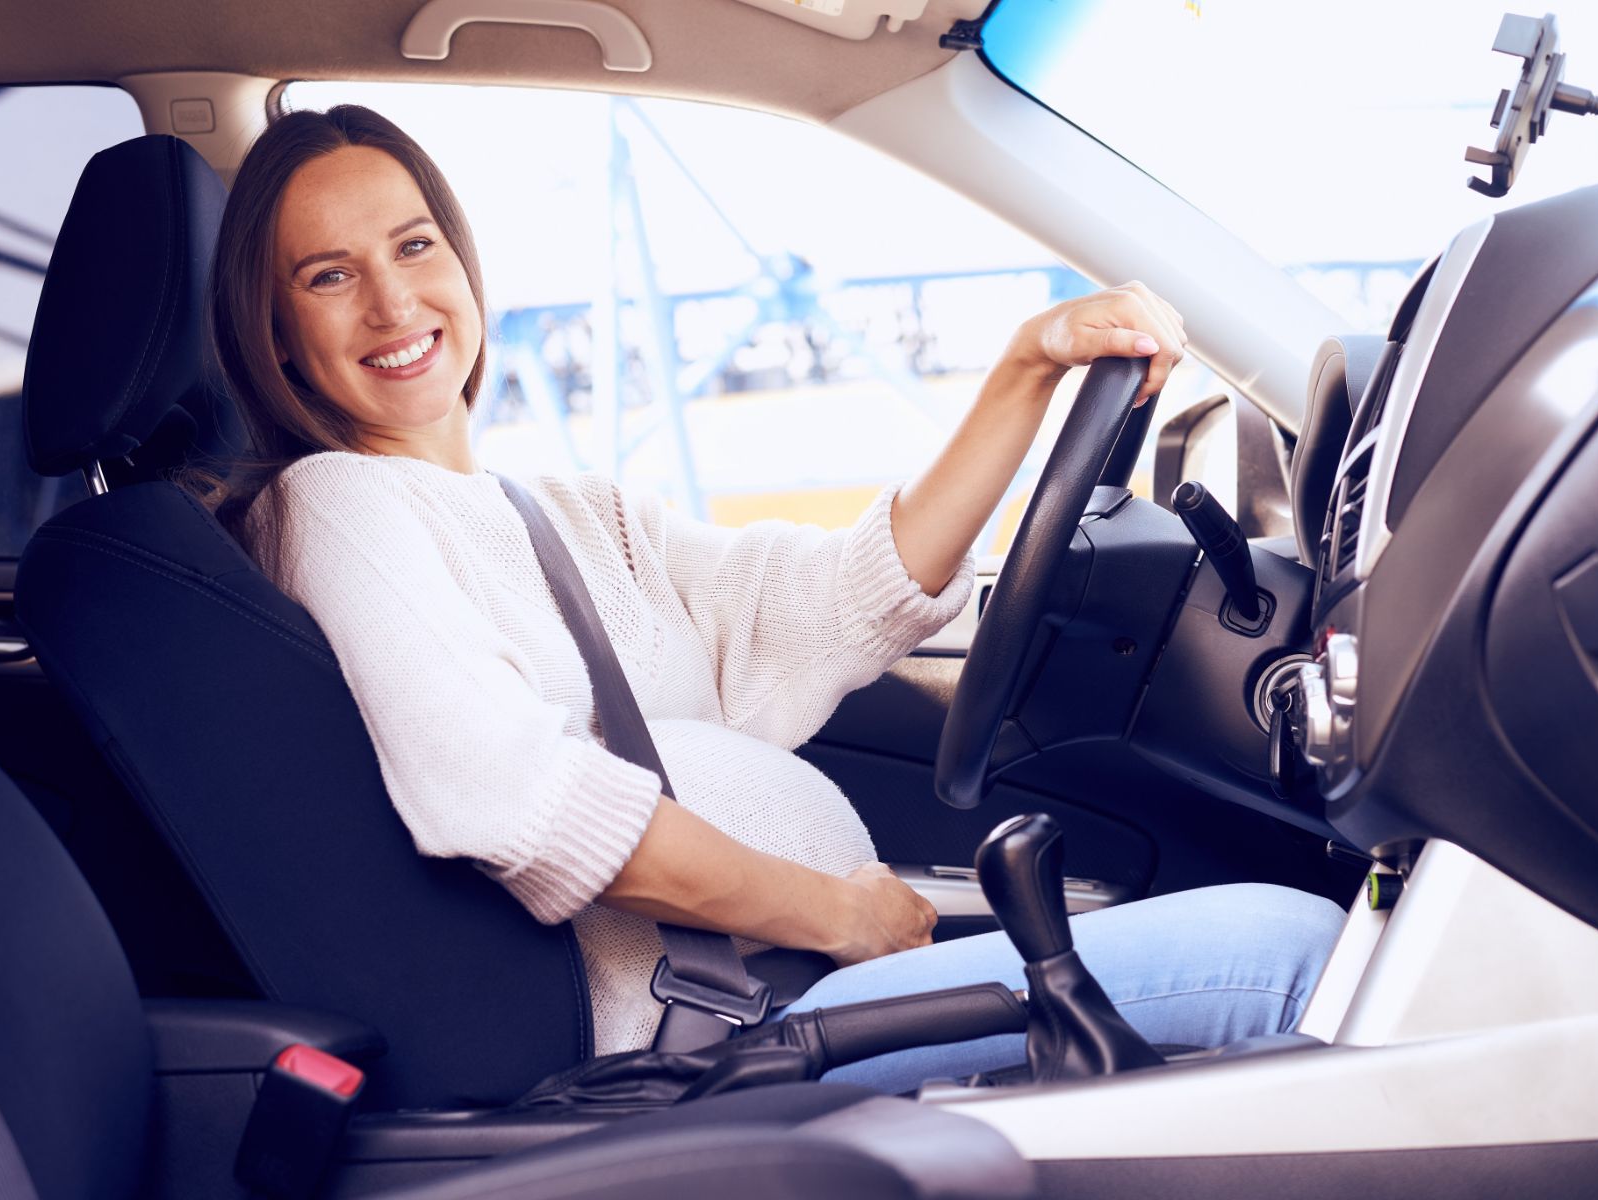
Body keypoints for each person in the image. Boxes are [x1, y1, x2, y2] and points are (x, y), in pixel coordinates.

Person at [194, 104, 1344, 1095]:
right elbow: (527, 808)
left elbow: (831, 600)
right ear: (279, 334)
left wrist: (1027, 368)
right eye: (329, 276)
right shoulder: (340, 507)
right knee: (1294, 952)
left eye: (414, 245)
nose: (394, 303)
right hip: (703, 1041)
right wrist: (838, 916)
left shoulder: (556, 510)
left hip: (778, 993)